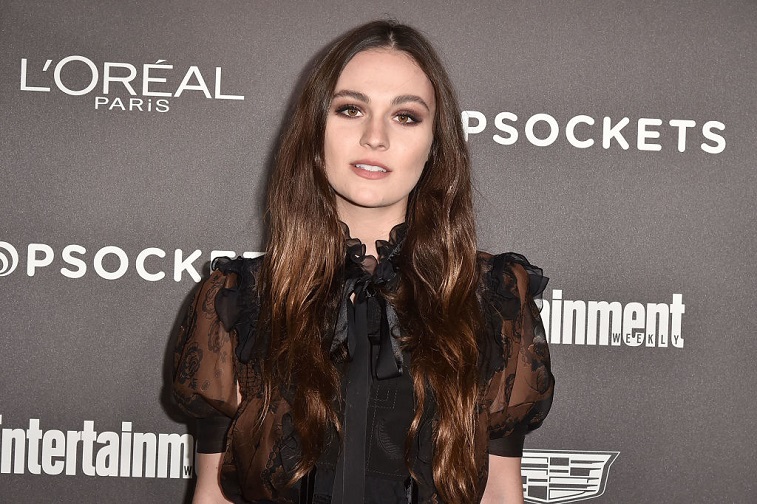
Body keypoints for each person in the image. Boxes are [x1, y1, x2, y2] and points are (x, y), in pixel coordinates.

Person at [173, 20, 554, 504]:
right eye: (351, 109)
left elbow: (500, 493)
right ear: (315, 130)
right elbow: (214, 496)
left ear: (435, 144)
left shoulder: (491, 297)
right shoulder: (238, 300)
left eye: (406, 116)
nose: (375, 136)